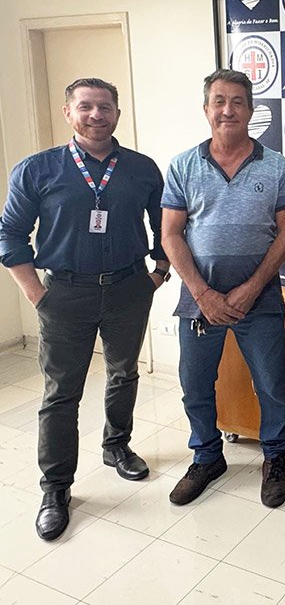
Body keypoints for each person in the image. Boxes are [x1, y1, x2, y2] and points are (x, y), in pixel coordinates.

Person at [0, 77, 169, 541]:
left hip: (127, 290)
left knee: (123, 373)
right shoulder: (37, 169)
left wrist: (158, 274)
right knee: (61, 393)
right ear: (67, 112)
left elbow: (167, 227)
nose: (97, 115)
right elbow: (10, 235)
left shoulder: (141, 168)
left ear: (118, 112)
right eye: (86, 107)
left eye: (106, 107)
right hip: (64, 294)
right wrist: (37, 293)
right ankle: (56, 487)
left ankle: (117, 446)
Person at [161, 68, 285, 508]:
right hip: (199, 300)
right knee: (195, 383)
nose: (228, 110)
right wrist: (204, 294)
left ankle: (274, 457)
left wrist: (253, 286)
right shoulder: (183, 165)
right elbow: (170, 235)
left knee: (272, 384)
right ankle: (206, 456)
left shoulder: (276, 165)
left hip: (260, 298)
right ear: (206, 109)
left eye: (237, 101)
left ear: (251, 109)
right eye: (219, 101)